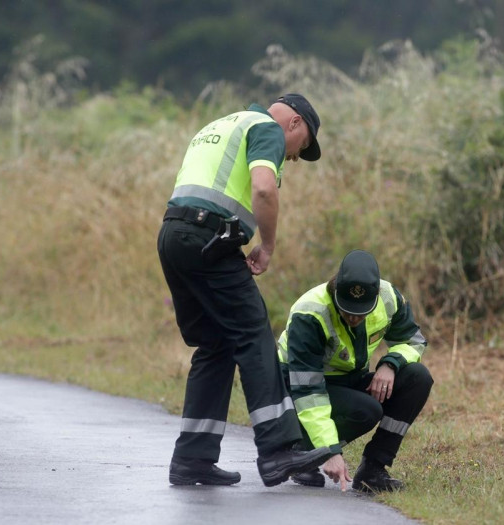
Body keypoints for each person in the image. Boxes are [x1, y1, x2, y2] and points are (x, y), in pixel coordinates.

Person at [158, 94, 333, 487]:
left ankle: (192, 459)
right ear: (294, 124)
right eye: (300, 148)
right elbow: (264, 189)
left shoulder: (219, 126)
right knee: (254, 334)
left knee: (216, 344)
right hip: (210, 238)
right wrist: (267, 247)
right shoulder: (266, 128)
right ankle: (278, 451)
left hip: (173, 235)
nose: (293, 158)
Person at [277, 249, 433, 493]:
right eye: (347, 308)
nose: (353, 317)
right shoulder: (310, 312)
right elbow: (308, 391)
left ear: (375, 296)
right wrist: (328, 450)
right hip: (296, 385)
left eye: (361, 311)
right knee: (367, 410)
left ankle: (373, 469)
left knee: (418, 378)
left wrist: (390, 364)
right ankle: (302, 453)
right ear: (335, 290)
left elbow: (414, 341)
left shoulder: (389, 297)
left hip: (349, 379)